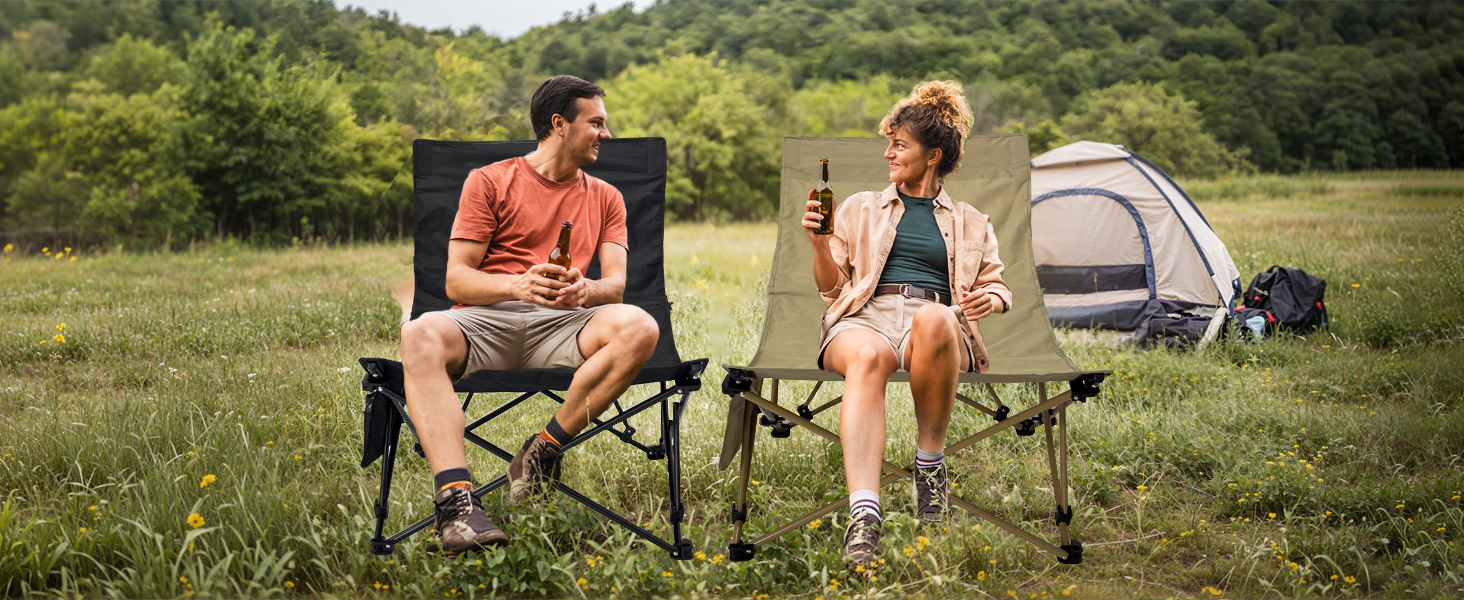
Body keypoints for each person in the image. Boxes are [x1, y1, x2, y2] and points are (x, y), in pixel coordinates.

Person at [399, 75, 660, 554]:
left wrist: (587, 289)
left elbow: (616, 284)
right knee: (418, 334)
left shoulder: (606, 197)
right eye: (596, 123)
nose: (607, 134)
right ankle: (457, 506)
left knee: (641, 325)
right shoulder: (490, 181)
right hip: (485, 321)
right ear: (559, 124)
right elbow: (456, 280)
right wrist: (515, 284)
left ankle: (542, 450)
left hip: (564, 324)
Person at [804, 81, 1012, 569]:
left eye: (899, 146)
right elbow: (833, 292)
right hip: (865, 318)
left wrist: (990, 301)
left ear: (932, 155)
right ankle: (864, 517)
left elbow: (999, 287)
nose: (887, 154)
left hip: (934, 329)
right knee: (868, 355)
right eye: (888, 143)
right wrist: (819, 243)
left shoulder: (973, 221)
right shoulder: (857, 207)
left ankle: (929, 467)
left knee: (938, 316)